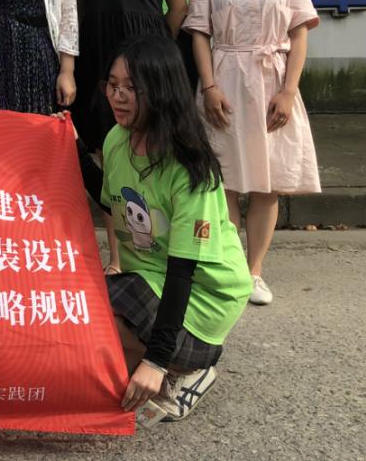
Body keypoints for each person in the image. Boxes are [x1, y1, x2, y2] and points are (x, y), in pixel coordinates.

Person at [79, 34, 251, 424]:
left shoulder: (190, 169)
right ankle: (163, 361)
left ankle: (186, 368)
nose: (117, 96)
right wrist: (71, 146)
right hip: (149, 280)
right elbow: (112, 201)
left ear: (160, 90)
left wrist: (156, 360)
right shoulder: (117, 139)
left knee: (100, 324)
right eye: (112, 85)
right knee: (85, 320)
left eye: (131, 88)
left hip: (202, 299)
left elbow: (182, 272)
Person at [185, 0, 320, 307]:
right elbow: (199, 33)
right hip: (224, 79)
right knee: (224, 180)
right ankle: (229, 269)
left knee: (266, 183)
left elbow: (298, 33)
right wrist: (209, 86)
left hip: (272, 81)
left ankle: (254, 271)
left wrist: (288, 91)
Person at [71, 0, 185, 273]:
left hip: (147, 63)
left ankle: (163, 248)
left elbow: (178, 6)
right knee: (108, 155)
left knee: (154, 149)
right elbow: (77, 9)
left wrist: (155, 50)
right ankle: (120, 256)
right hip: (98, 60)